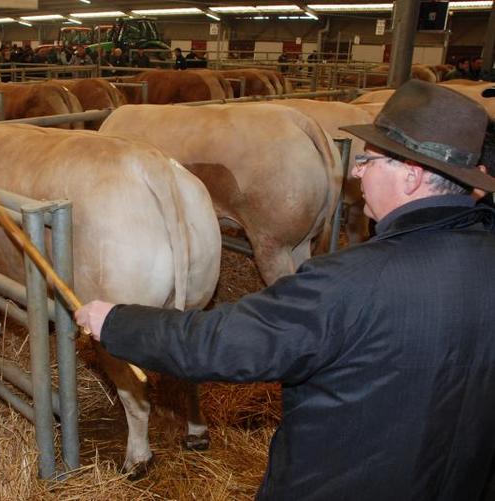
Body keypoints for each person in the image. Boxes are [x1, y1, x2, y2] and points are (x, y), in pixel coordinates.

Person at [75, 80, 495, 500]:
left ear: (411, 178)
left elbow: (219, 344)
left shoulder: (349, 281)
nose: (355, 171)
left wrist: (116, 321)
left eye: (370, 160)